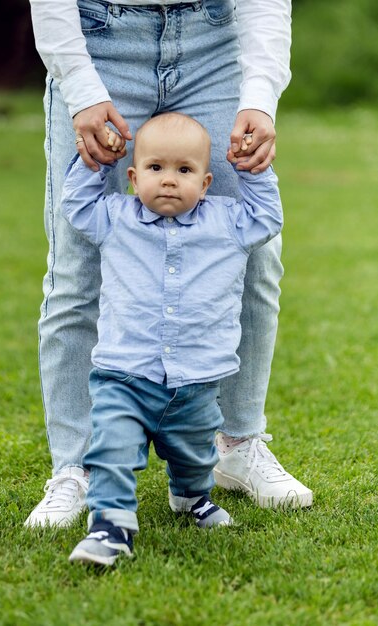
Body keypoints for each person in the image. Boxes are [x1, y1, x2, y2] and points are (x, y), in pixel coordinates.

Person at [25, 0, 312, 529]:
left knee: (253, 260)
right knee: (77, 270)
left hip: (215, 41)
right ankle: (77, 468)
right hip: (101, 40)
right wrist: (82, 88)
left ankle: (237, 444)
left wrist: (260, 96)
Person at [63, 112, 283, 566]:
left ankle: (191, 498)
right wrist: (94, 164)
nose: (168, 181)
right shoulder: (114, 217)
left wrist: (253, 171)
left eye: (183, 171)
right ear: (133, 176)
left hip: (198, 378)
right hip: (125, 374)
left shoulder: (227, 221)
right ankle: (110, 525)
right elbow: (77, 206)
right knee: (111, 448)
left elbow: (268, 217)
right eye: (155, 168)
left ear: (205, 184)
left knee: (194, 454)